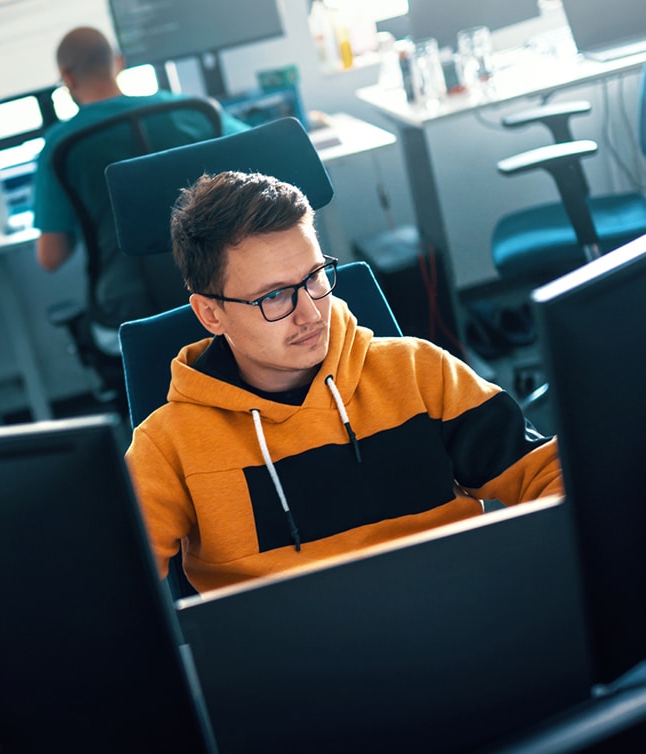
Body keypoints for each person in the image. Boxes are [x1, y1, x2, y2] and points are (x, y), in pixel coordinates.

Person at [125, 170, 563, 595]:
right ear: (210, 314)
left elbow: (547, 472)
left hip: (463, 620)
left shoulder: (419, 371)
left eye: (314, 277)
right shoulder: (169, 447)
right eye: (274, 296)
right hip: (296, 661)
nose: (311, 313)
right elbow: (106, 586)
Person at [32, 26, 247, 355]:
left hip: (129, 310)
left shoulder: (60, 146)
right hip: (215, 290)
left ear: (66, 77)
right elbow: (258, 158)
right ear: (119, 61)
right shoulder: (188, 110)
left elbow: (51, 257)